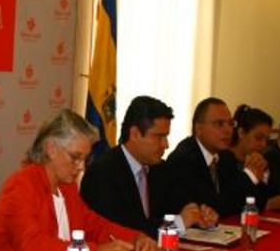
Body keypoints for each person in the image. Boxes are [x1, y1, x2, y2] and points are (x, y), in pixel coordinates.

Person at [0, 109, 157, 251]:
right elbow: (30, 247)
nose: (80, 167)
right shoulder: (21, 184)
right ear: (51, 148)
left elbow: (94, 225)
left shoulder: (67, 187)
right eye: (75, 157)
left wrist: (135, 238)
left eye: (85, 159)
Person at [80, 96, 218, 236]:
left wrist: (199, 215)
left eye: (166, 137)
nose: (166, 145)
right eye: (159, 136)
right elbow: (121, 230)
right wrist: (178, 223)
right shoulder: (102, 172)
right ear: (134, 134)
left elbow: (179, 206)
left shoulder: (160, 169)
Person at [163, 97, 255, 217]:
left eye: (231, 123)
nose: (228, 130)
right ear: (198, 129)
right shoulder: (183, 159)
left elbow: (242, 203)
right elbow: (212, 207)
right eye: (219, 124)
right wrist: (249, 176)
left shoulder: (226, 157)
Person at [226, 104, 280, 211]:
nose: (263, 144)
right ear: (241, 133)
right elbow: (232, 202)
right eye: (258, 138)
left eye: (266, 139)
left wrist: (264, 176)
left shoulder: (259, 160)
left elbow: (264, 195)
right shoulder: (224, 160)